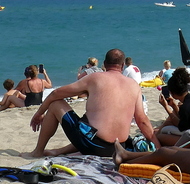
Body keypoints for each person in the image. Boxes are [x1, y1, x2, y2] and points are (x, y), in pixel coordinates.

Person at [20, 49, 160, 158]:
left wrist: (39, 113)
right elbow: (142, 121)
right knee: (90, 121)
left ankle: (37, 152)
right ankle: (58, 151)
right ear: (122, 66)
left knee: (56, 104)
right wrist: (159, 148)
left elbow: (56, 94)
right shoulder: (134, 86)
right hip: (118, 148)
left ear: (104, 65)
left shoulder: (95, 78)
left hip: (94, 146)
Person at [156, 68, 190, 146]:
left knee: (161, 134)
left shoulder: (186, 106)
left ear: (172, 93)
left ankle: (155, 142)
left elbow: (180, 126)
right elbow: (184, 117)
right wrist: (174, 105)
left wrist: (166, 107)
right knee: (168, 123)